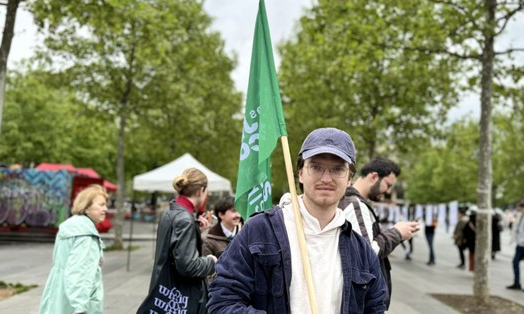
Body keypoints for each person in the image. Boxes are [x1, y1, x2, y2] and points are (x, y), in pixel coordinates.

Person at [208, 127, 388, 313]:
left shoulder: (361, 251)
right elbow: (222, 302)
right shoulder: (259, 231)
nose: (326, 178)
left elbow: (375, 308)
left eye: (338, 169)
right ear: (300, 173)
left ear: (349, 178)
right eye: (316, 167)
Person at [337, 157, 419, 309]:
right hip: (363, 301)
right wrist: (397, 233)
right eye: (387, 185)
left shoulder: (353, 202)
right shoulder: (355, 205)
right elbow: (367, 253)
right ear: (374, 176)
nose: (388, 191)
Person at [138, 168, 217, 314]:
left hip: (164, 290)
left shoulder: (170, 211)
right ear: (201, 190)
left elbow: (171, 248)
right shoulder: (185, 219)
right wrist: (211, 262)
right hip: (180, 297)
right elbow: (188, 266)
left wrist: (196, 232)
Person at [39, 185, 108, 314]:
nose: (106, 209)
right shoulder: (86, 235)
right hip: (75, 303)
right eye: (101, 205)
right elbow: (80, 270)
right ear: (86, 208)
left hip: (58, 293)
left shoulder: (71, 226)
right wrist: (81, 306)